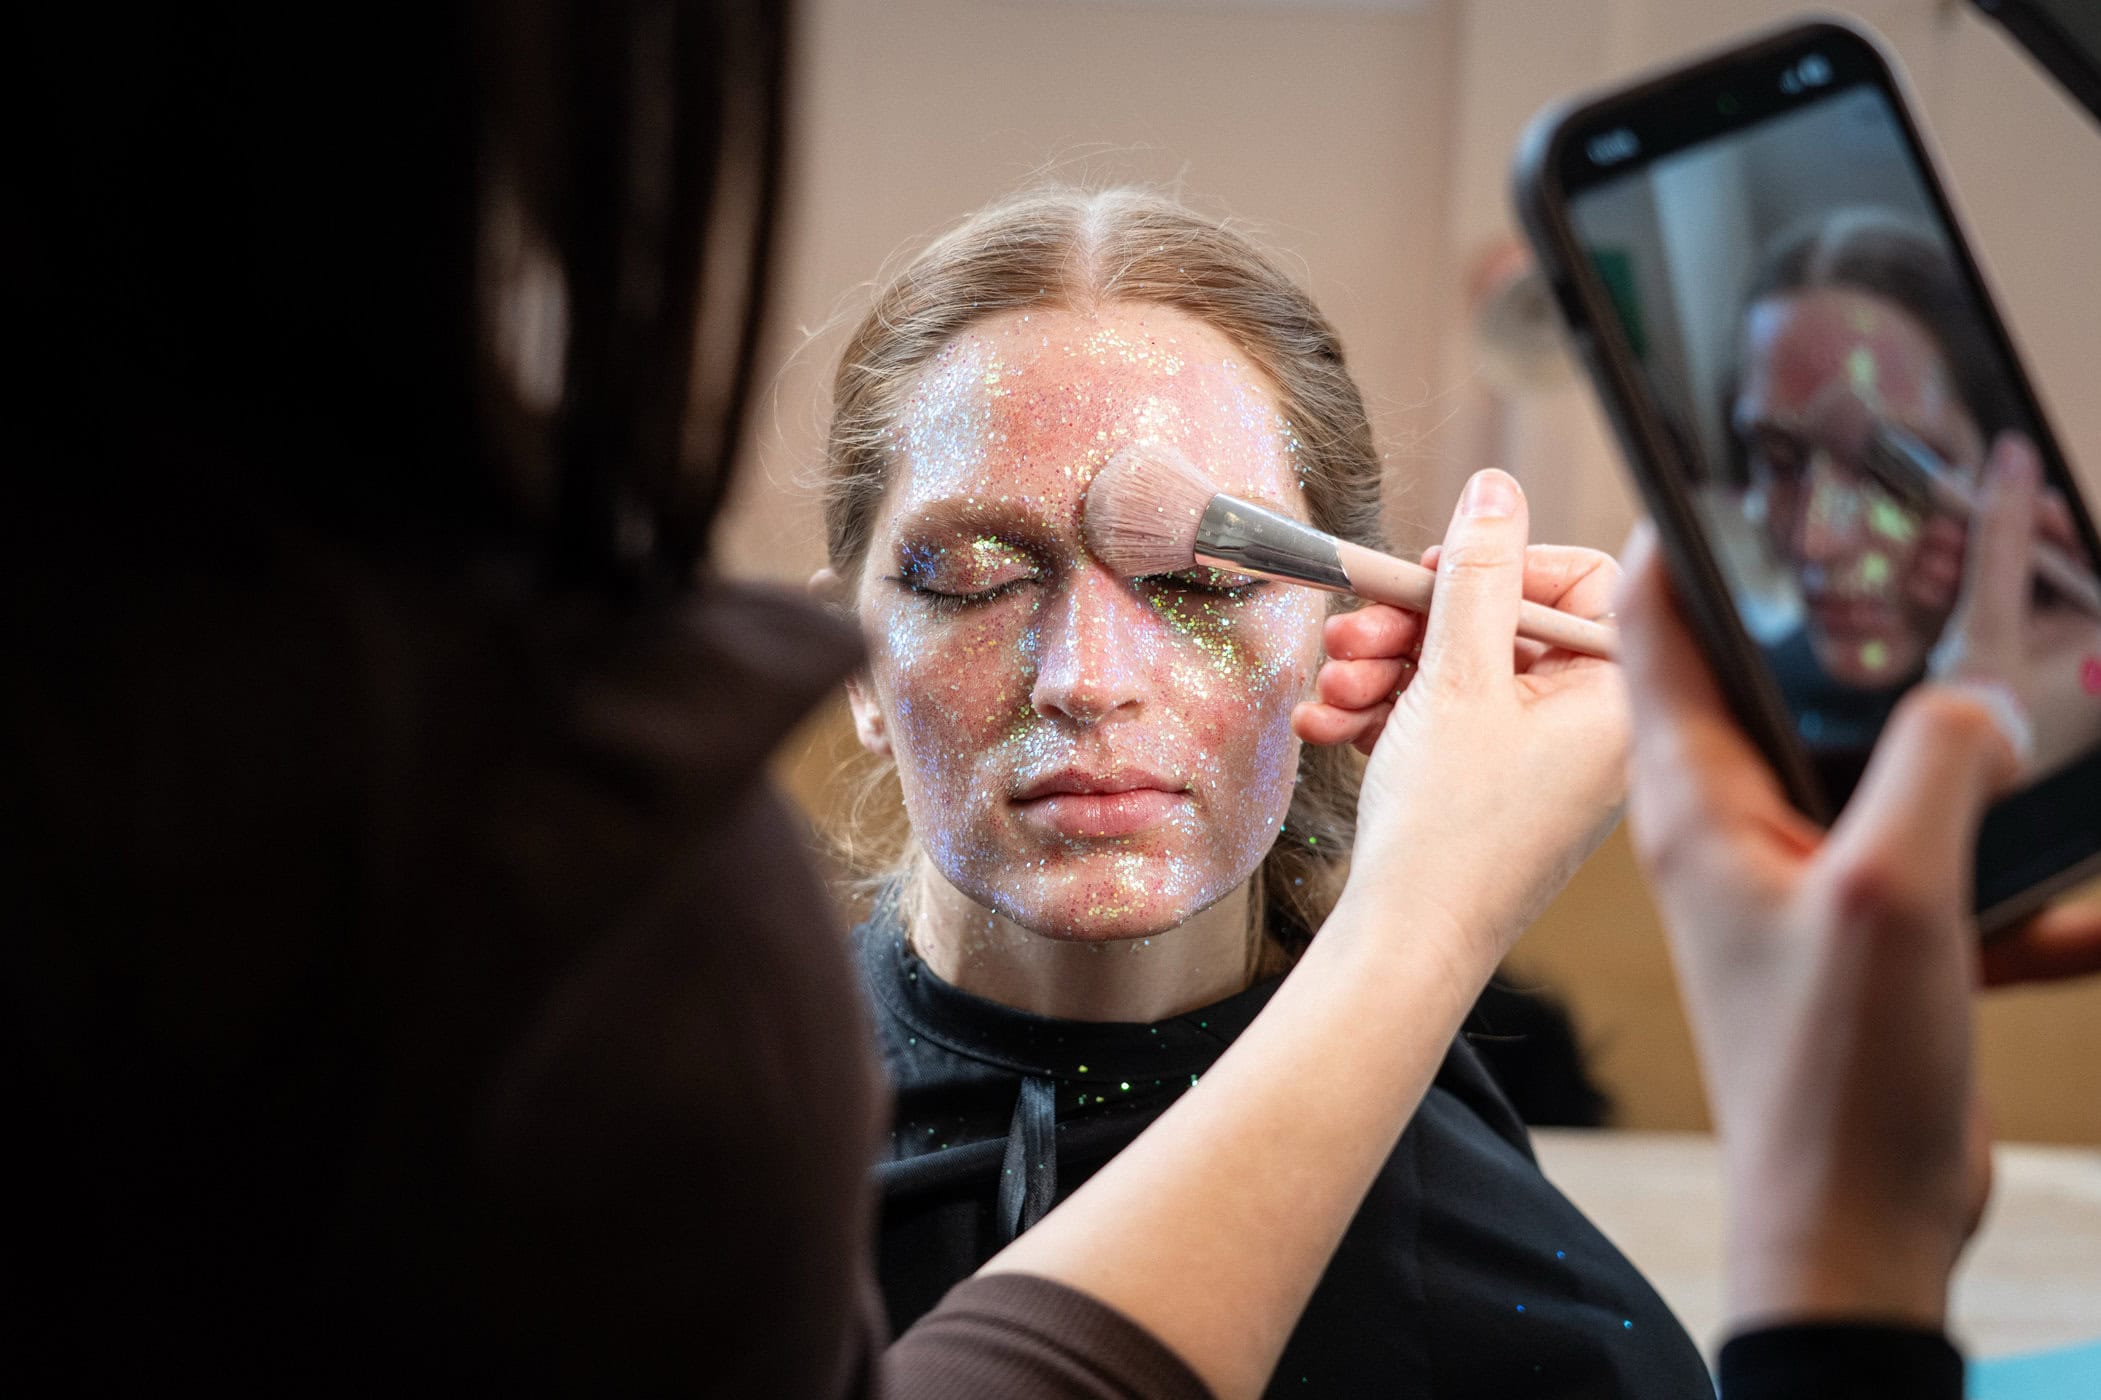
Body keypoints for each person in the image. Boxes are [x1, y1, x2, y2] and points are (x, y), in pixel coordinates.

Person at [817, 186, 1713, 1397]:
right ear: (859, 665)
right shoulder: (640, 1191)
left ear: (1345, 635)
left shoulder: (1540, 1334)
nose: (1086, 679)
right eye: (973, 576)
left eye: (1201, 585)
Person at [1722, 210, 2101, 778]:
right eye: (1780, 462)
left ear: (2012, 474)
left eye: (1888, 472)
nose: (1817, 541)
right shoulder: (1736, 717)